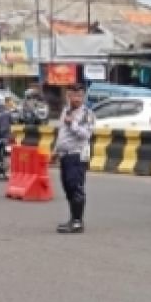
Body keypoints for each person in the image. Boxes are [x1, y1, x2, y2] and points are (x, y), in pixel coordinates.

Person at [54, 83, 95, 234]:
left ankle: (78, 222)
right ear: (68, 96)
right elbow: (62, 133)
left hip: (77, 155)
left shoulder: (87, 114)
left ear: (83, 97)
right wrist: (56, 151)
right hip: (65, 155)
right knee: (67, 187)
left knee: (76, 187)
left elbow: (86, 135)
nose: (76, 98)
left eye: (79, 95)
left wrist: (73, 123)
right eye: (73, 95)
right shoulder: (66, 110)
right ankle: (73, 218)